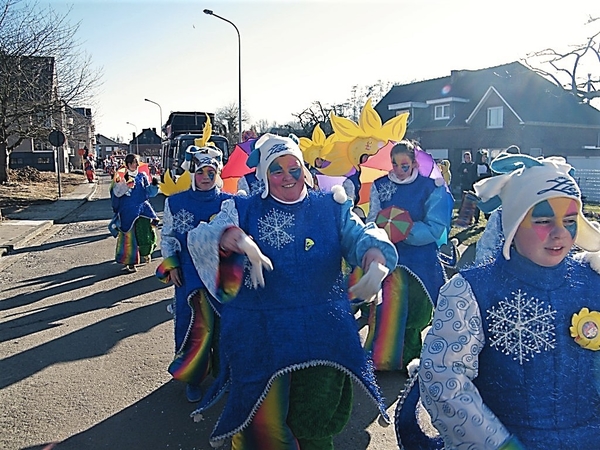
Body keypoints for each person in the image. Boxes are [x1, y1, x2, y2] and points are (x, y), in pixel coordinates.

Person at [187, 133, 398, 449]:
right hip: (262, 331)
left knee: (315, 417)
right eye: (277, 169)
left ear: (305, 170)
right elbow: (204, 236)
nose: (287, 177)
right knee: (263, 418)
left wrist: (375, 260)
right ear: (264, 174)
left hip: (321, 331)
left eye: (294, 168)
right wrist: (233, 237)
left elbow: (360, 235)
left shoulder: (331, 206)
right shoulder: (243, 208)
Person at [417, 153, 600, 449]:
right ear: (513, 225)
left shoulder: (593, 278)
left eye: (570, 221)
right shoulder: (471, 292)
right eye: (542, 220)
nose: (560, 233)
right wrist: (497, 445)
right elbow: (443, 379)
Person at [365, 140, 453, 371]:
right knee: (387, 309)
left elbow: (436, 226)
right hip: (390, 258)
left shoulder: (430, 187)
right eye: (394, 164)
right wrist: (378, 231)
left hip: (421, 261)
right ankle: (382, 360)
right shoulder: (380, 185)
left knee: (417, 311)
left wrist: (406, 230)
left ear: (414, 163)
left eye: (404, 165)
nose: (398, 170)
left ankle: (411, 359)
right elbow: (372, 218)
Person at [156, 145, 232, 403]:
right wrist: (172, 263)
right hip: (189, 276)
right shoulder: (176, 202)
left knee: (224, 328)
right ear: (193, 172)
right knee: (196, 328)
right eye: (202, 172)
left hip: (221, 276)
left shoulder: (229, 202)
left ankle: (224, 374)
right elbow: (167, 237)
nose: (207, 178)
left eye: (212, 172)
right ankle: (193, 377)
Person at [110, 153, 159, 272]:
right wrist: (125, 186)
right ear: (127, 164)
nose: (135, 165)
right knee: (129, 238)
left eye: (136, 162)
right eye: (132, 163)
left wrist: (154, 185)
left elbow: (149, 193)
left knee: (145, 234)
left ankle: (145, 253)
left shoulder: (142, 175)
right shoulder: (121, 177)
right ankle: (130, 262)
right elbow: (116, 193)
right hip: (127, 211)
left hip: (143, 209)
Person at [474, 149, 492, 222]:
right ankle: (476, 218)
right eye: (483, 157)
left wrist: (482, 176)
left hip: (485, 188)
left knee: (486, 202)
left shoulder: (486, 166)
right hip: (477, 188)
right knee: (477, 204)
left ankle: (487, 216)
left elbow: (489, 175)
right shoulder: (475, 166)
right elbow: (472, 177)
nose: (485, 158)